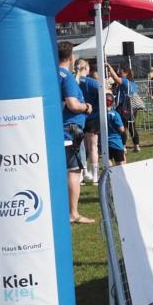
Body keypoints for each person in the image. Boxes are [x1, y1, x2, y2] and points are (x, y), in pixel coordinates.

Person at [58, 42, 95, 223]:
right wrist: (86, 107)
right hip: (70, 129)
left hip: (59, 128)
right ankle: (73, 213)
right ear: (71, 57)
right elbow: (72, 104)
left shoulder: (51, 74)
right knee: (74, 171)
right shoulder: (66, 77)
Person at [76, 59, 102, 183]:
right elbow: (103, 94)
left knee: (82, 147)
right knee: (92, 147)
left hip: (78, 118)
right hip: (92, 117)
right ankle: (95, 175)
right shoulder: (91, 82)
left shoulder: (73, 82)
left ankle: (84, 173)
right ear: (86, 68)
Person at [106, 63, 141, 152]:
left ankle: (124, 146)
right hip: (132, 108)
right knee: (131, 126)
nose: (119, 75)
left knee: (123, 127)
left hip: (124, 107)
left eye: (121, 73)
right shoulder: (132, 83)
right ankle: (136, 145)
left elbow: (116, 79)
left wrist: (110, 67)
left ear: (126, 73)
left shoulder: (125, 81)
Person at [104, 93, 127, 165]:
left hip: (105, 143)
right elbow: (122, 129)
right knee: (121, 165)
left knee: (108, 164)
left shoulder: (100, 114)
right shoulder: (115, 114)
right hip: (116, 142)